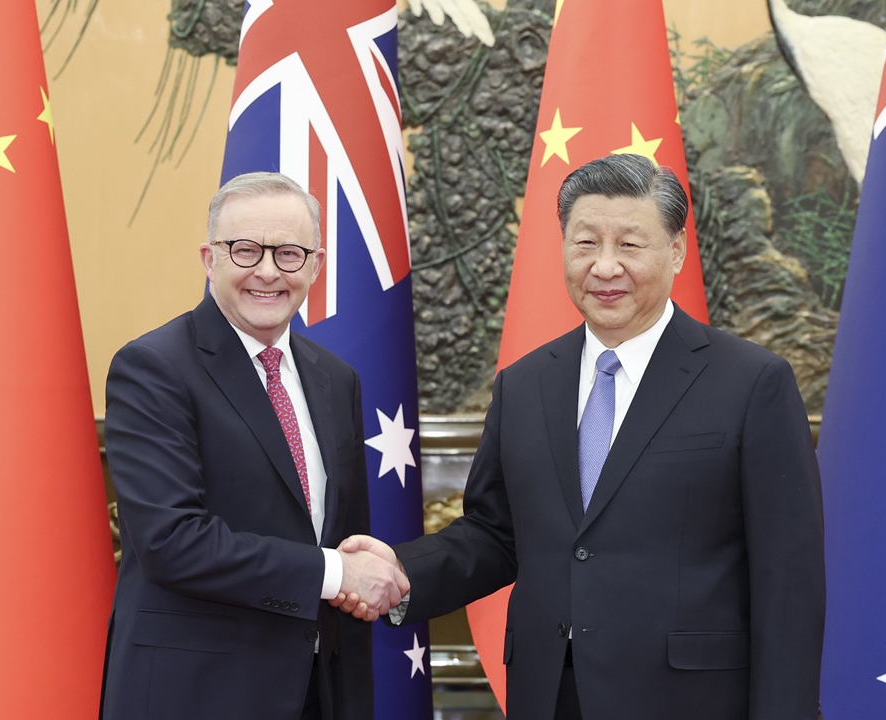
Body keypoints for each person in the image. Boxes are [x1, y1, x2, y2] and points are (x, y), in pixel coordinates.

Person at [338, 154, 825, 719]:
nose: (605, 267)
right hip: (551, 696)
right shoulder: (524, 384)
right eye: (586, 243)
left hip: (691, 700)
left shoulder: (751, 382)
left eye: (630, 245)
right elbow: (497, 535)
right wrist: (400, 571)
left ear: (676, 251)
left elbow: (787, 579)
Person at [100, 172, 409, 720]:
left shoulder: (336, 379)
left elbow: (341, 536)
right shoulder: (152, 368)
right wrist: (335, 573)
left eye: (289, 254)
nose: (267, 271)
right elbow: (172, 542)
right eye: (245, 250)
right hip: (196, 696)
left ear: (315, 266)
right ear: (209, 258)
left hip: (318, 692)